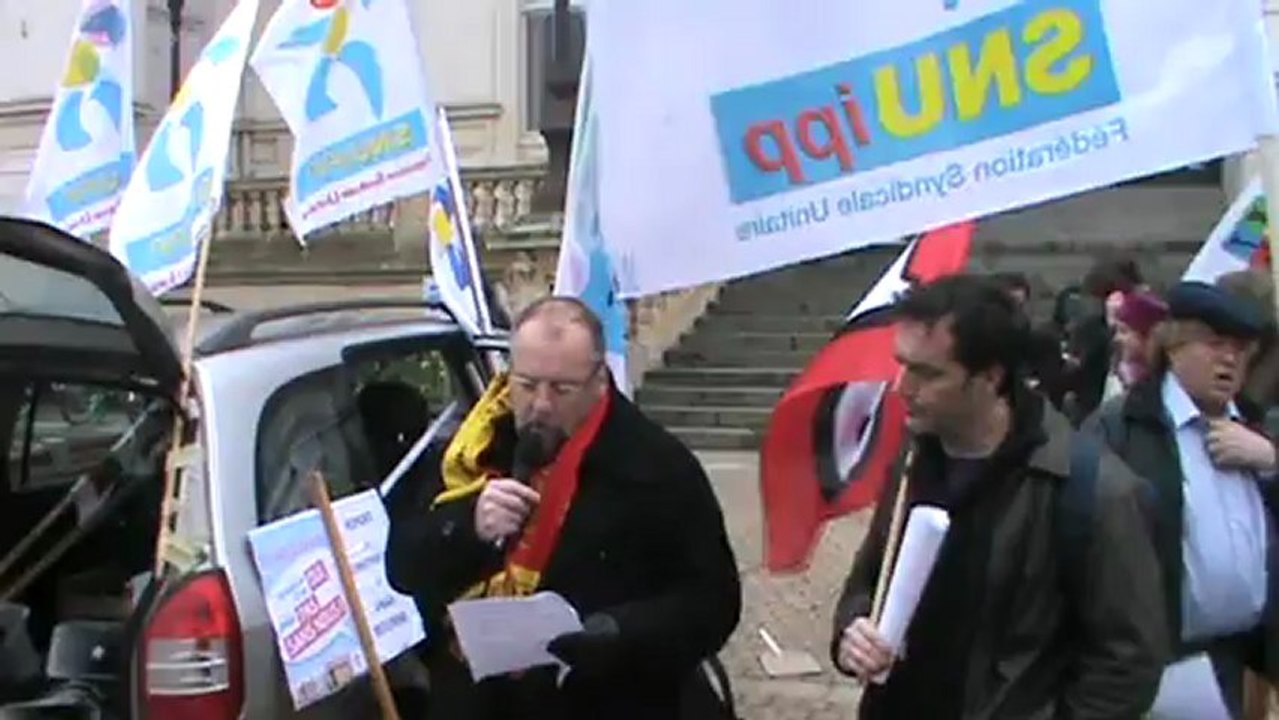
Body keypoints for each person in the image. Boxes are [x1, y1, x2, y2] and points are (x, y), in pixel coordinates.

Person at [385, 296, 740, 720]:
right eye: (527, 384)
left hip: (607, 700)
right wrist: (466, 525)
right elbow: (402, 568)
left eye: (562, 389)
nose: (541, 405)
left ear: (599, 382)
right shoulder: (470, 453)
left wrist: (617, 632)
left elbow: (713, 602)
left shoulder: (656, 466)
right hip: (478, 697)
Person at [831, 274, 1167, 719]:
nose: (903, 387)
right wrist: (852, 633)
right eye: (902, 364)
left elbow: (1127, 662)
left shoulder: (1092, 490)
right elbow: (869, 581)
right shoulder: (914, 463)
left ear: (990, 376)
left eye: (928, 373)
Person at [1086, 281, 1279, 718]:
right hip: (1162, 668)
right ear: (1174, 347)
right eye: (1215, 345)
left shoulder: (1254, 427)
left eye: (1240, 348)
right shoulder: (1122, 428)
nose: (1229, 359)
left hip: (1240, 659)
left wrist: (1271, 462)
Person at [1101, 289, 1168, 401]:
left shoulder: (1170, 384)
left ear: (1148, 335)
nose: (1116, 338)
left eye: (1124, 331)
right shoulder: (1119, 376)